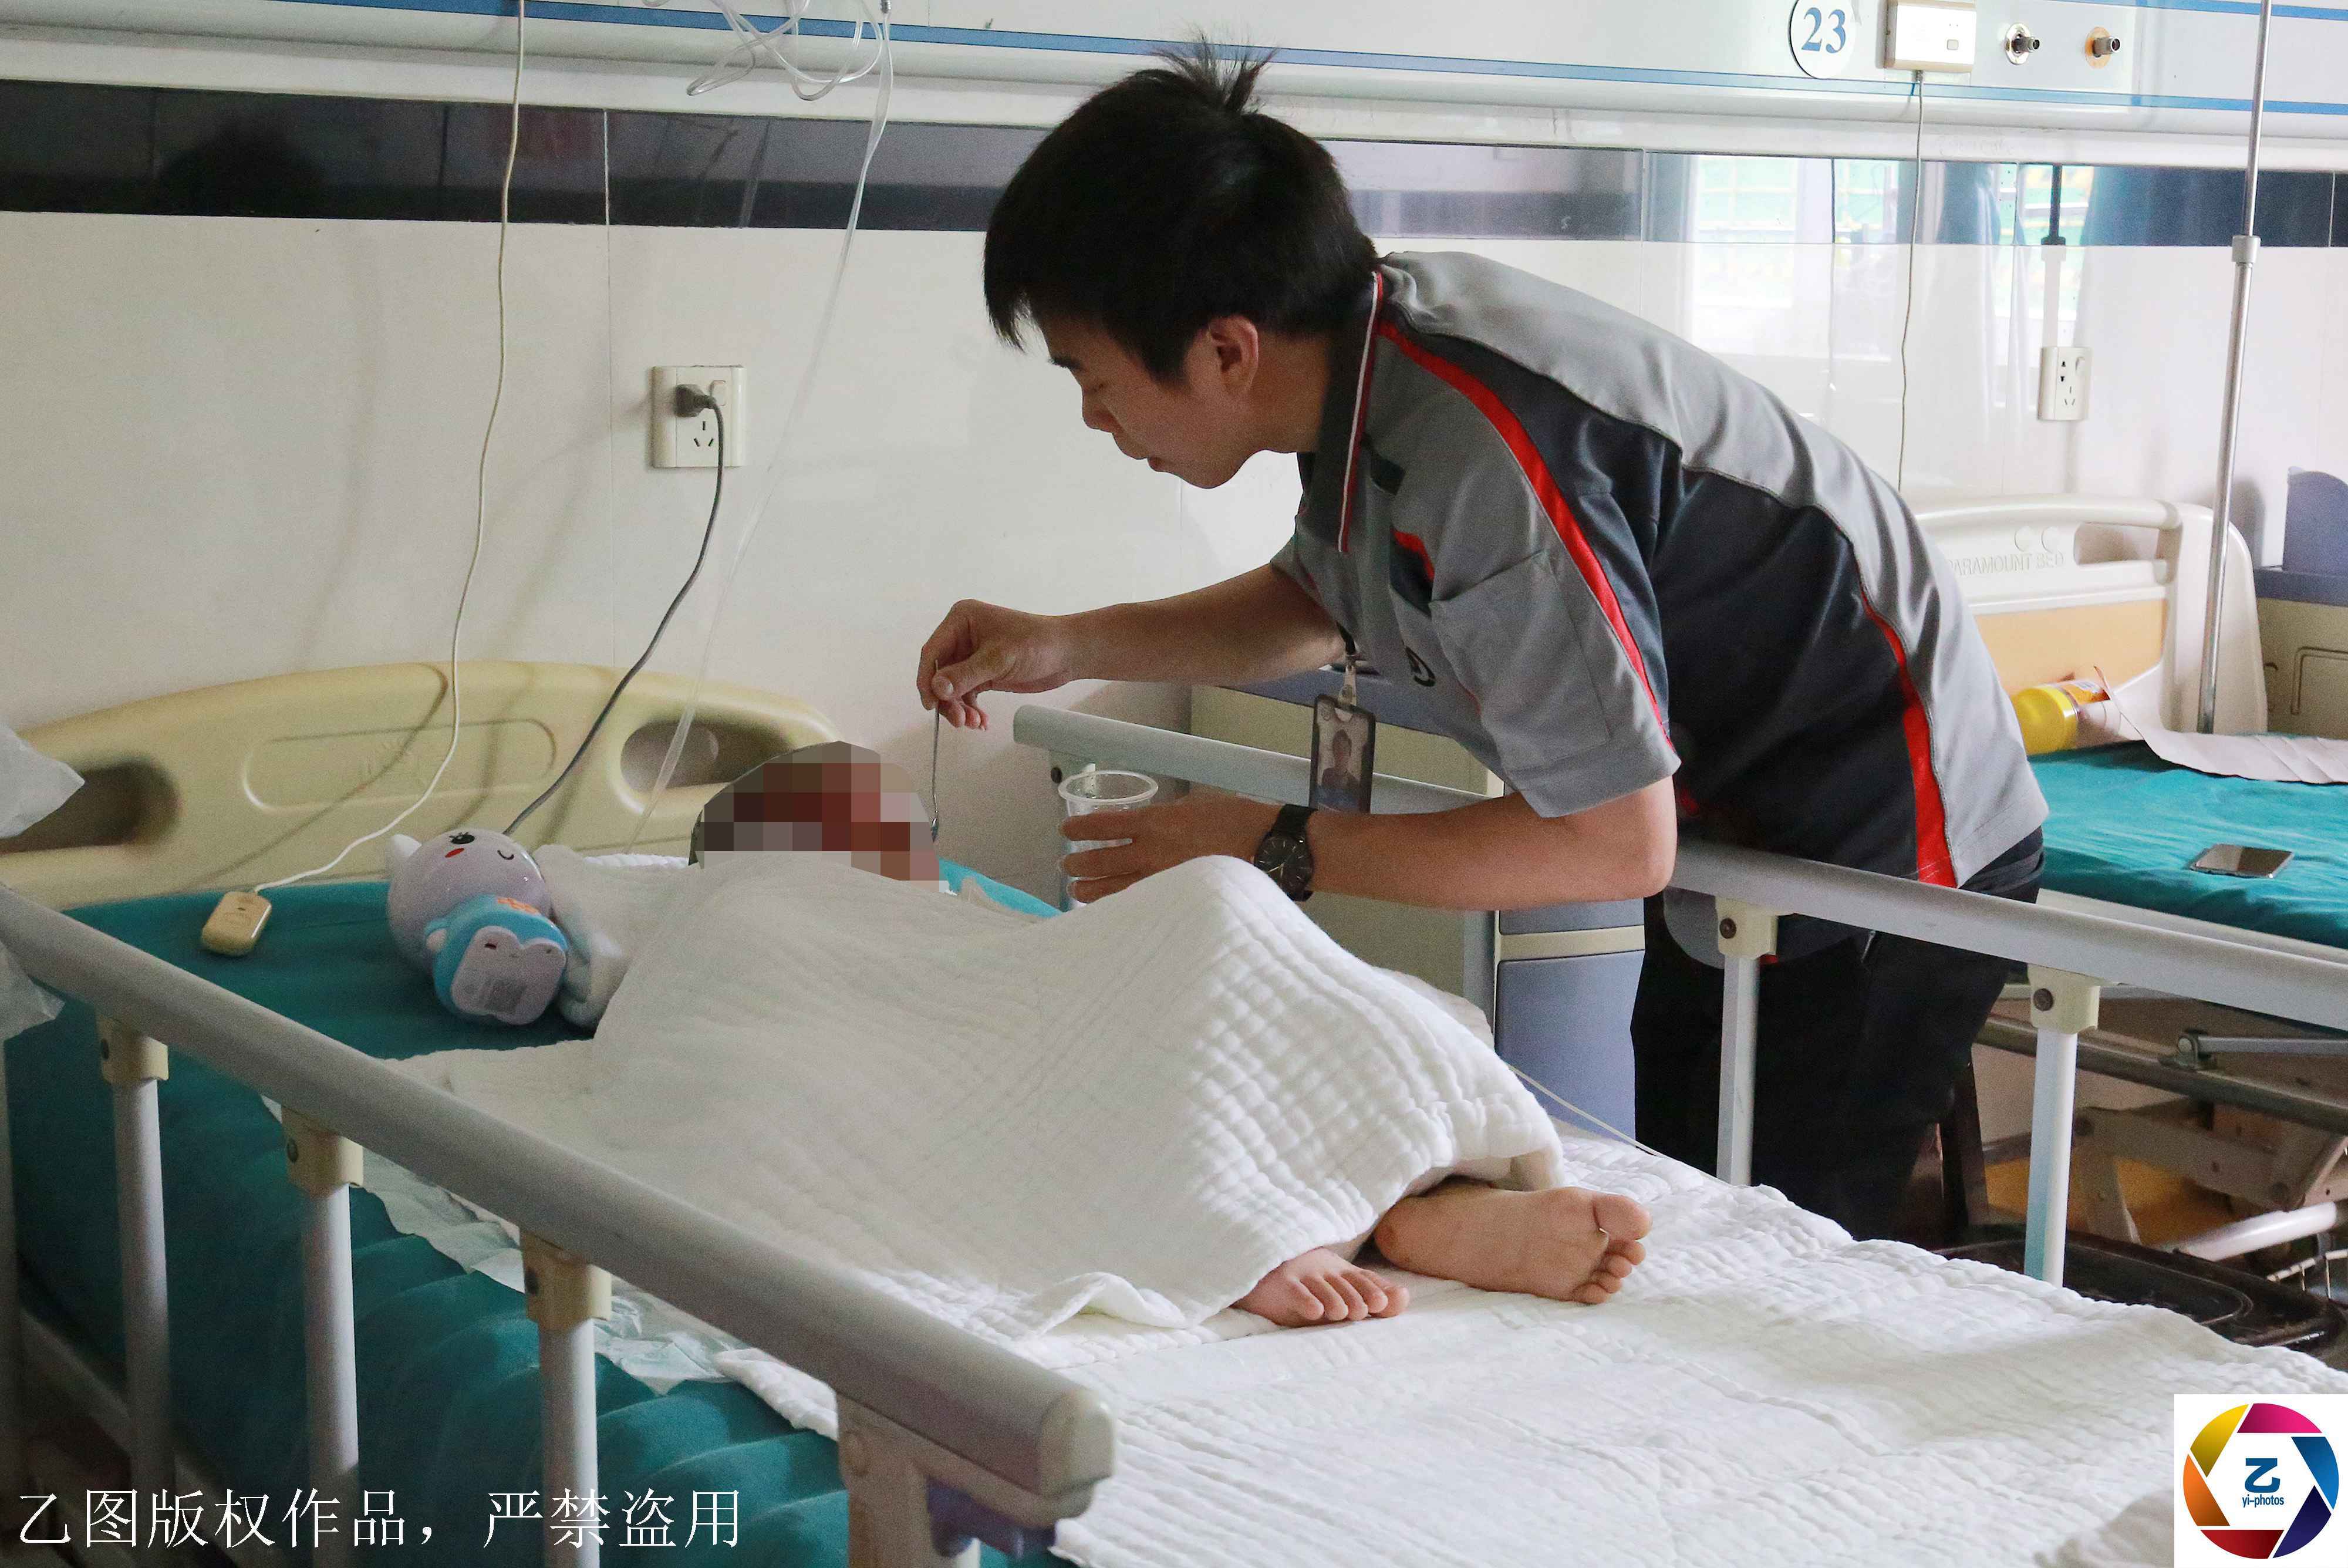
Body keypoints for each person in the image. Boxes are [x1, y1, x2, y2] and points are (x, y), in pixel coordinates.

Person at [913, 47, 2045, 1243]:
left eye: (1092, 379)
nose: (1096, 418)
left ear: (1225, 350)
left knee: (1780, 1248)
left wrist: (1273, 843)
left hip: (1885, 832)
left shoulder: (1481, 452)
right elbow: (1315, 599)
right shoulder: (1372, 354)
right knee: (1689, 1213)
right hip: (1737, 841)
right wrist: (1067, 642)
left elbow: (1613, 840)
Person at [698, 744, 1654, 1325]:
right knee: (1124, 1042)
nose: (887, 854)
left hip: (1056, 975)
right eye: (850, 835)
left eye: (894, 834)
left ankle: (1427, 1202)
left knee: (1218, 904)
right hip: (930, 1018)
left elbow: (1093, 970)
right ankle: (1249, 1229)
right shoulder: (744, 912)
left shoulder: (975, 912)